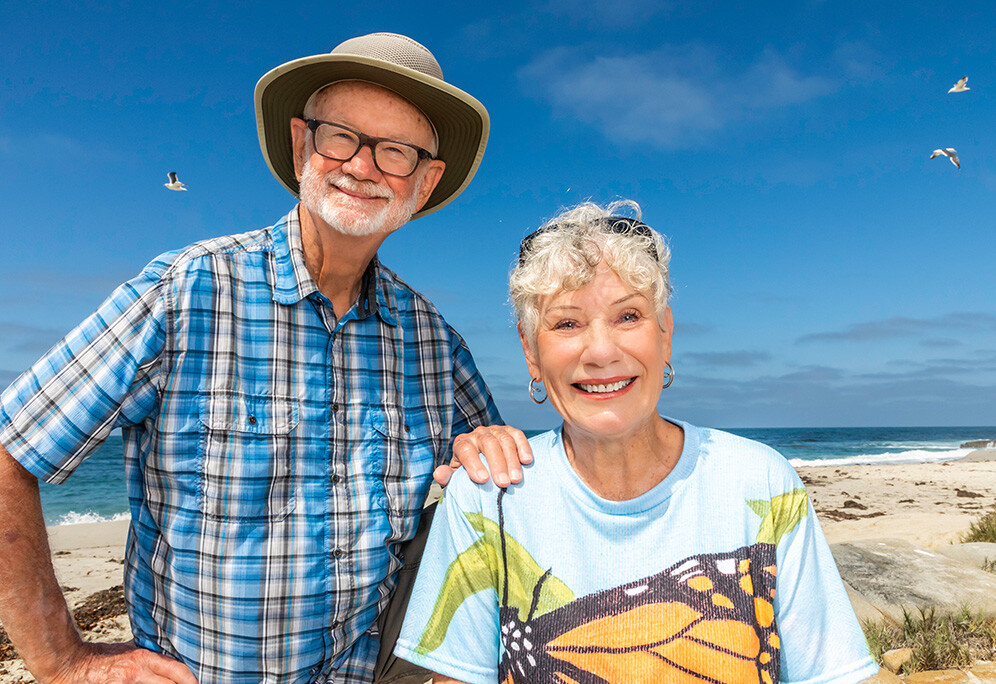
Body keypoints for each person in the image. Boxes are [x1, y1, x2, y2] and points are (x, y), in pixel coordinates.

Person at [0, 33, 530, 684]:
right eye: (342, 136)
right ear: (303, 145)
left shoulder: (433, 343)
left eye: (395, 151)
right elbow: (10, 448)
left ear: (424, 183)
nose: (363, 166)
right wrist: (62, 659)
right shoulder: (187, 293)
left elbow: (509, 495)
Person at [393, 201, 881, 683]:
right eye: (567, 323)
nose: (602, 351)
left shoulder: (761, 480)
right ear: (530, 351)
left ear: (665, 334)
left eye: (628, 316)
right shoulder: (487, 496)